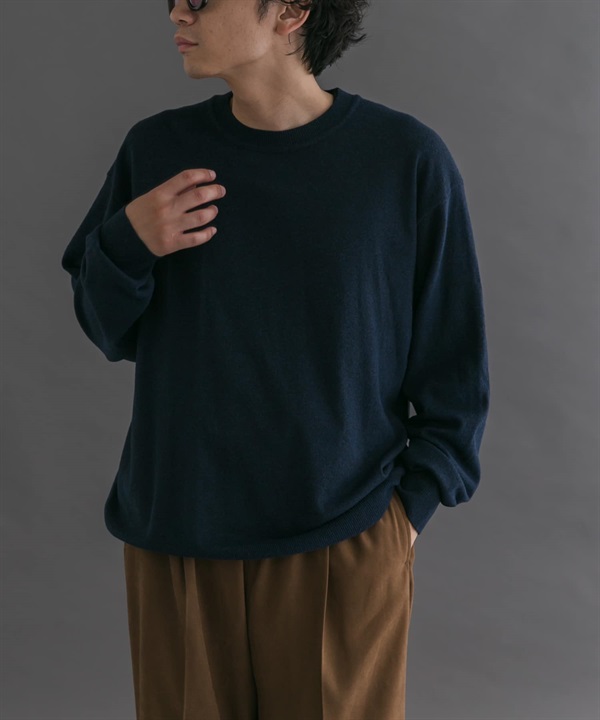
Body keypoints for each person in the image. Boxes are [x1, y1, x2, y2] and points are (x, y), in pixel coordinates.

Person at [60, 0, 490, 717]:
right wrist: (130, 241)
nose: (178, 10)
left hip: (345, 537)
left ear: (290, 10)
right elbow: (107, 330)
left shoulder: (404, 160)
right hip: (179, 538)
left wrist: (403, 518)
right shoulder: (157, 150)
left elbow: (455, 366)